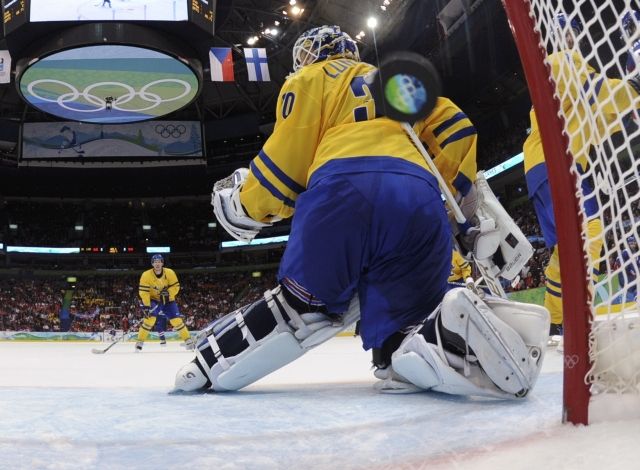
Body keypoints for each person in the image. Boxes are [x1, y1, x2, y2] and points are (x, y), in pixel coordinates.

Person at [175, 25, 549, 399]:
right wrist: (456, 201)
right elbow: (458, 129)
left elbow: (286, 162)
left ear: (318, 53)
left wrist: (249, 206)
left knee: (304, 307)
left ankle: (207, 366)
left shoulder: (309, 77)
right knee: (401, 334)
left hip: (342, 188)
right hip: (417, 196)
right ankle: (440, 333)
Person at [523, 13, 638, 336]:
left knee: (567, 248)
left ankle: (554, 319)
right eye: (566, 31)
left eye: (572, 30)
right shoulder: (560, 61)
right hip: (555, 161)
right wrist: (633, 87)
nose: (571, 36)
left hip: (548, 165)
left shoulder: (563, 71)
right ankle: (571, 313)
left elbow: (601, 118)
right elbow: (596, 92)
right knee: (591, 230)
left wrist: (630, 103)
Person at [136, 254, 194, 351]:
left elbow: (176, 287)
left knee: (176, 320)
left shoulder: (170, 272)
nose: (157, 264)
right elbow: (144, 292)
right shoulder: (146, 275)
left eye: (159, 261)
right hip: (153, 299)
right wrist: (146, 306)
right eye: (155, 262)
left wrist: (168, 293)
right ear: (152, 264)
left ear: (162, 263)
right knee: (150, 319)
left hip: (168, 300)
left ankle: (188, 340)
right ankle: (139, 342)